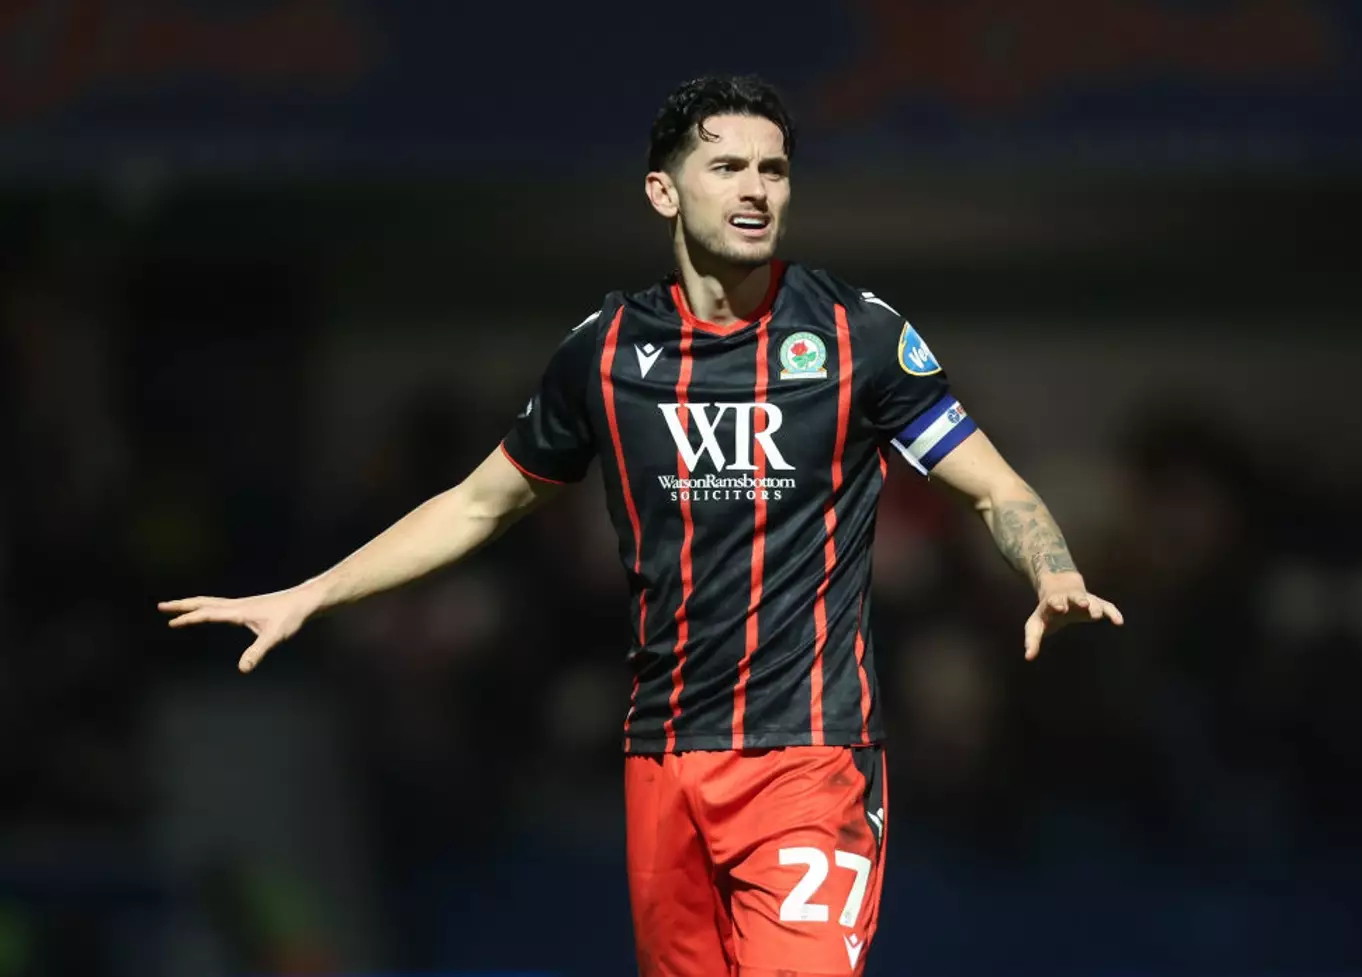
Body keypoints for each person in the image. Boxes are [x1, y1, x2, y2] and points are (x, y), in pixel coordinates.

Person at [159, 74, 1124, 977]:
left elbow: (997, 487)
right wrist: (310, 593)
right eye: (727, 166)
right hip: (661, 762)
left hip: (809, 761)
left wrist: (1052, 569)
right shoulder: (605, 353)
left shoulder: (856, 335)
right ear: (663, 193)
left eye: (774, 169)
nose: (757, 190)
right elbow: (476, 504)